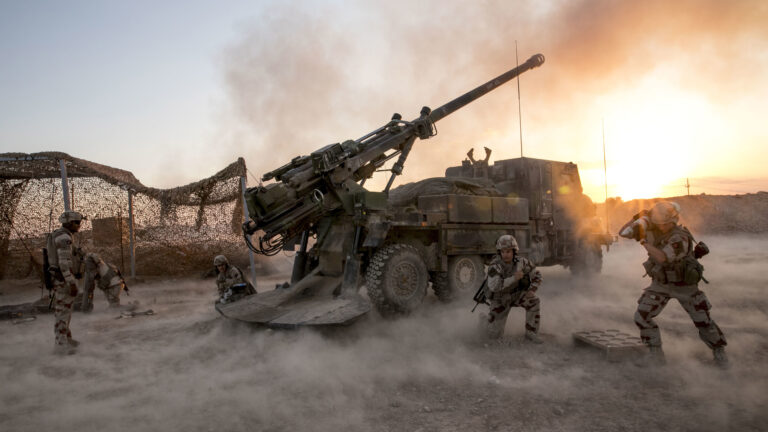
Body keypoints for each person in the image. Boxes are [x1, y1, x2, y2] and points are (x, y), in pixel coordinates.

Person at [621, 201, 728, 367]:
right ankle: (655, 355)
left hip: (684, 285)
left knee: (703, 321)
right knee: (641, 317)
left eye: (664, 223)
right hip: (661, 284)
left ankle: (719, 352)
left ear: (674, 220)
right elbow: (623, 233)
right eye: (659, 223)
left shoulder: (680, 237)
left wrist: (643, 241)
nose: (661, 226)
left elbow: (663, 258)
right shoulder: (654, 229)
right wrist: (637, 219)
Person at [484, 234, 543, 342]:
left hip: (516, 295)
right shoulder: (495, 266)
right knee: (493, 335)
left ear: (514, 251)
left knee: (534, 301)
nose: (505, 254)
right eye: (502, 252)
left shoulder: (521, 262)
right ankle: (485, 321)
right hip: (500, 299)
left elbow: (537, 274)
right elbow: (494, 287)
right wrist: (513, 278)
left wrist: (532, 289)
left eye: (508, 251)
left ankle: (531, 332)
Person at [46, 210, 86, 355]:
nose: (79, 225)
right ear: (69, 223)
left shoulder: (61, 235)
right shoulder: (64, 237)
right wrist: (71, 282)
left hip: (61, 279)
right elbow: (64, 263)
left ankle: (66, 339)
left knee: (65, 311)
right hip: (64, 280)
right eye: (77, 222)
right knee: (62, 312)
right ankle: (61, 345)